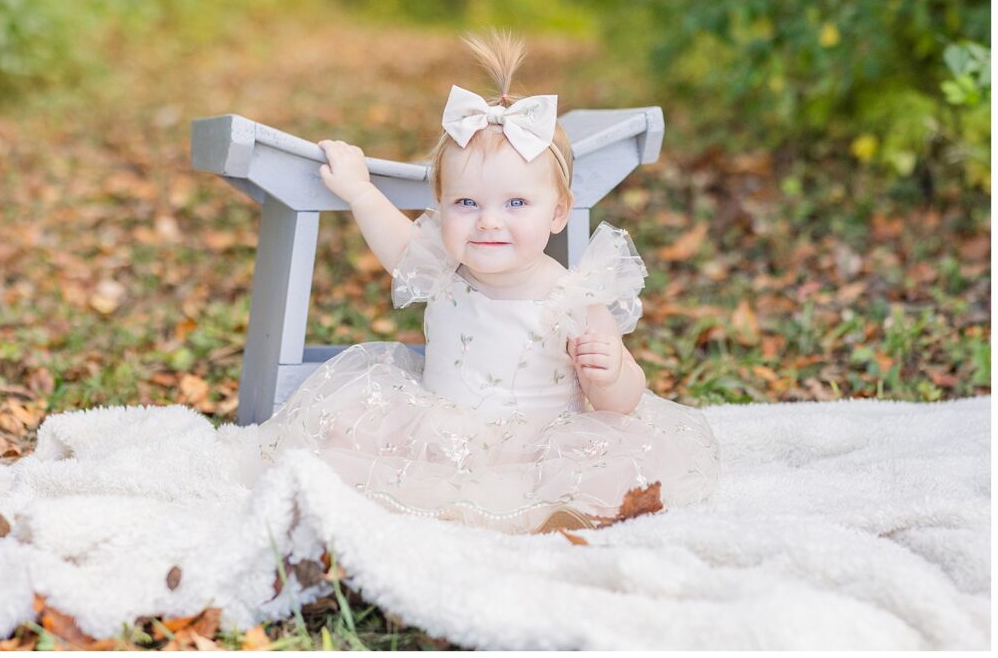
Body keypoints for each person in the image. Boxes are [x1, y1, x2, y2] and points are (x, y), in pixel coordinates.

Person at [257, 29, 720, 535]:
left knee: (601, 470)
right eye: (466, 203)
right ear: (442, 208)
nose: (488, 221)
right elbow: (396, 243)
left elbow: (620, 403)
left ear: (558, 213)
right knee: (345, 434)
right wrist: (360, 191)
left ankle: (552, 514)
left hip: (539, 444)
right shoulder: (442, 268)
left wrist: (609, 375)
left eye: (516, 203)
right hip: (440, 431)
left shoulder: (575, 297)